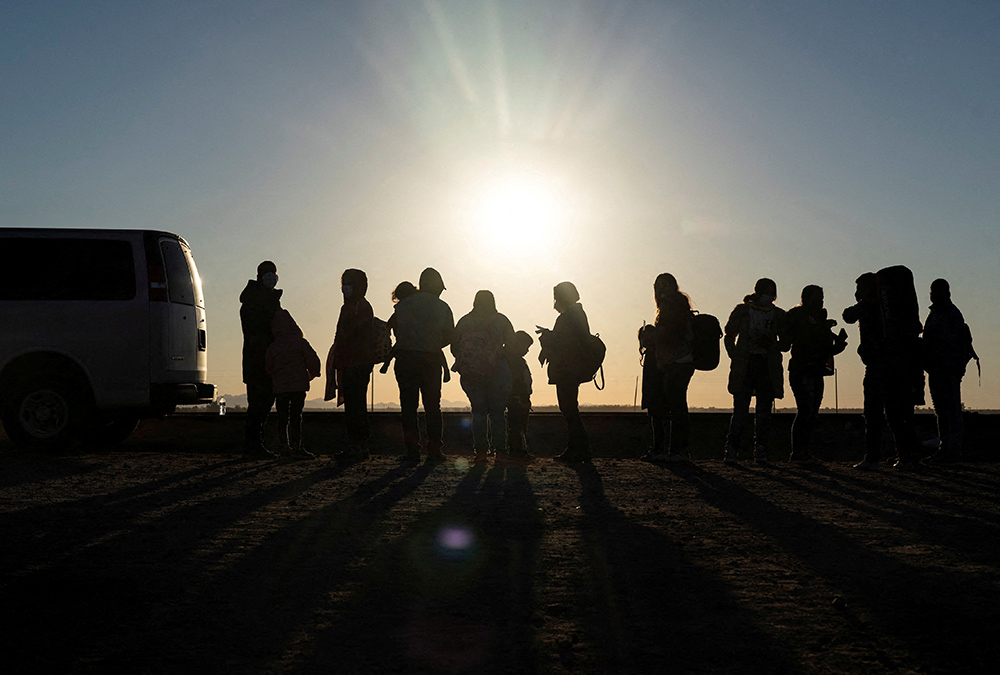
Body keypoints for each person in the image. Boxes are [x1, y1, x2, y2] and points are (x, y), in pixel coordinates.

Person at [843, 271, 921, 470]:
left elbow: (848, 316)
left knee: (873, 413)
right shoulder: (892, 308)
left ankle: (872, 458)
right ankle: (906, 457)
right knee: (897, 413)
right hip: (898, 365)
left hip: (877, 367)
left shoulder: (869, 303)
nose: (856, 292)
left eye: (859, 287)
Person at [390, 267, 455, 462]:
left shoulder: (402, 305)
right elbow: (450, 335)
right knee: (432, 407)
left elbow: (394, 329)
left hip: (405, 361)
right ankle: (434, 450)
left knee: (408, 407)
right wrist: (433, 344)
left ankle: (412, 450)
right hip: (430, 360)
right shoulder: (443, 307)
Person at [723, 278, 788, 464]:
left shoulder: (779, 315)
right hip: (746, 365)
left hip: (767, 366)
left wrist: (772, 344)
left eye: (772, 291)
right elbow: (729, 335)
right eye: (768, 291)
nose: (770, 295)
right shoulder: (742, 311)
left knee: (764, 412)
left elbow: (785, 344)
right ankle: (732, 450)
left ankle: (760, 451)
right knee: (740, 411)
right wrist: (735, 355)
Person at [784, 285, 848, 464]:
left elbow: (825, 349)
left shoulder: (819, 319)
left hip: (816, 371)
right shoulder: (797, 316)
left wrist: (838, 344)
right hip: (802, 369)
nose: (821, 300)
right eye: (818, 297)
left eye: (822, 297)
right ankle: (798, 453)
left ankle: (803, 452)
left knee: (811, 413)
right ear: (807, 297)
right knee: (806, 411)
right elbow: (804, 343)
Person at [452, 290, 516, 462]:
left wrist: (470, 362)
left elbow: (453, 347)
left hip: (471, 374)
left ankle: (481, 452)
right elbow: (512, 346)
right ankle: (500, 452)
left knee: (478, 413)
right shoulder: (501, 320)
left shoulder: (465, 321)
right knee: (497, 413)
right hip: (498, 371)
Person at [638, 273, 696, 462]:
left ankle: (678, 450)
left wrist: (654, 336)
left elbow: (672, 333)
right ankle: (672, 450)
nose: (662, 289)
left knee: (676, 406)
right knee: (671, 405)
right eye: (659, 286)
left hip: (677, 361)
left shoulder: (675, 304)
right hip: (671, 360)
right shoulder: (671, 305)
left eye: (666, 285)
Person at [537, 281, 591, 463]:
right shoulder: (575, 314)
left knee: (568, 408)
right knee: (569, 407)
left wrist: (549, 337)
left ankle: (579, 448)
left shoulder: (571, 316)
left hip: (568, 368)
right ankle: (577, 448)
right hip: (570, 367)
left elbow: (568, 341)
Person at [922, 278, 974, 465]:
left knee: (950, 411)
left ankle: (953, 451)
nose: (933, 295)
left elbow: (946, 344)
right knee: (942, 411)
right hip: (937, 369)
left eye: (936, 291)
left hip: (947, 369)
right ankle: (945, 449)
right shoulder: (937, 313)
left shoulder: (950, 315)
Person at [330, 269, 376, 463]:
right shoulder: (349, 307)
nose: (345, 288)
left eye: (349, 284)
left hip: (357, 363)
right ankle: (356, 445)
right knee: (353, 405)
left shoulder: (361, 307)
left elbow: (354, 336)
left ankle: (359, 446)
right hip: (349, 362)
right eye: (344, 284)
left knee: (356, 406)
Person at [240, 260, 282, 459]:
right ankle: (254, 445)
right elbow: (259, 331)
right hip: (258, 361)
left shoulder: (270, 300)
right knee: (258, 404)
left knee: (263, 404)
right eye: (267, 276)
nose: (271, 279)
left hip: (265, 360)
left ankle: (256, 445)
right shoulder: (252, 303)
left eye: (273, 276)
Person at [265, 309, 321, 459]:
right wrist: (313, 373)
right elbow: (313, 360)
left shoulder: (274, 346)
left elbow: (268, 366)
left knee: (282, 417)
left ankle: (284, 446)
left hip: (280, 387)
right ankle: (297, 446)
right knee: (296, 416)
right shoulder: (300, 342)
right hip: (299, 386)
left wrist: (276, 377)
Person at [381, 281, 450, 383]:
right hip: (429, 353)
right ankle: (446, 370)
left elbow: (389, 324)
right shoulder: (435, 305)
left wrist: (389, 332)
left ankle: (386, 364)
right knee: (436, 349)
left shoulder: (403, 306)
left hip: (406, 353)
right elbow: (449, 335)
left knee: (398, 347)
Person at [505, 330, 535, 463]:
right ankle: (518, 452)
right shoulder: (515, 362)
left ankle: (517, 451)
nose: (527, 351)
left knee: (516, 426)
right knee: (518, 427)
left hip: (518, 398)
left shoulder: (511, 359)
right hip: (518, 399)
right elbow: (518, 382)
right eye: (526, 347)